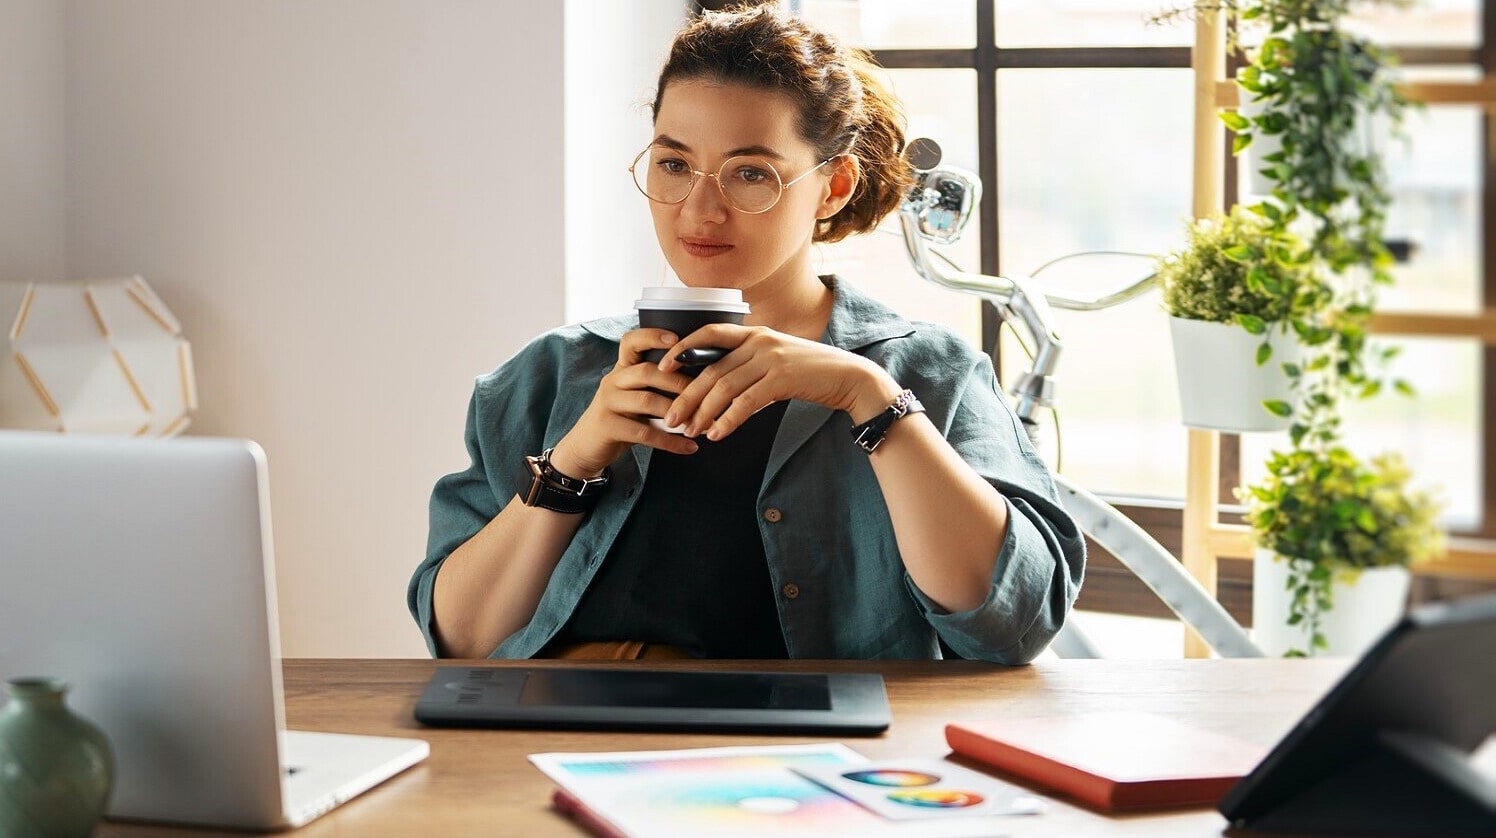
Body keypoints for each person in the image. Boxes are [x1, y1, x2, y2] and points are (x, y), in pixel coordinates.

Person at [408, 4, 1084, 662]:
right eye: (674, 164)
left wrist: (867, 396)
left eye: (751, 173)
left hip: (823, 762)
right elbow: (461, 641)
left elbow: (1014, 627)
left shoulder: (932, 375)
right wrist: (571, 464)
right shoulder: (547, 376)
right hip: (567, 750)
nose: (700, 210)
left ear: (834, 185)